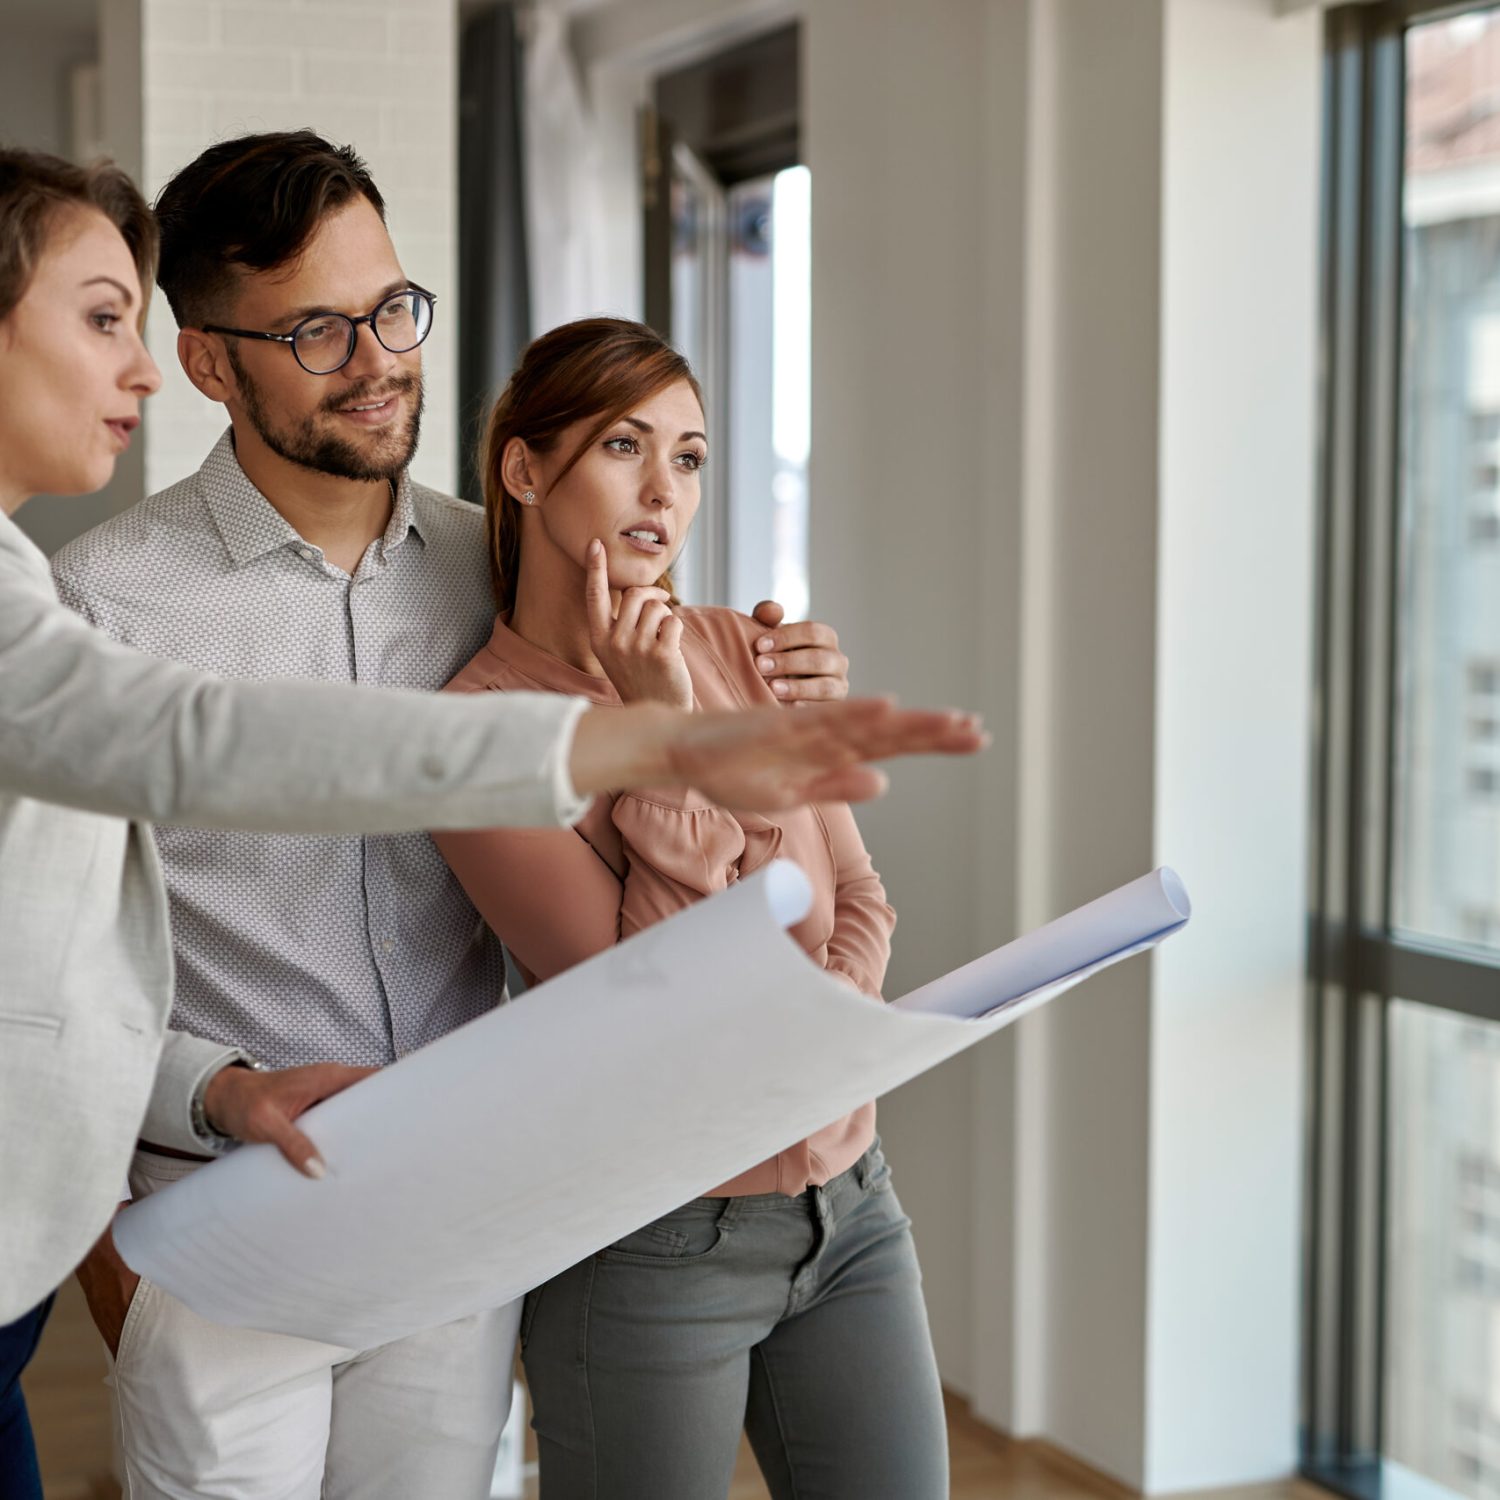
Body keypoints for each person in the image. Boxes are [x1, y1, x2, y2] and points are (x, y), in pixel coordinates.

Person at [0, 144, 982, 1500]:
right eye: (316, 332)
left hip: (462, 1221)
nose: (378, 359)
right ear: (211, 362)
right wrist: (176, 1144)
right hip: (233, 1226)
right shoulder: (96, 605)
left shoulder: (502, 561)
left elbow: (684, 646)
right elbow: (54, 959)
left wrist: (780, 668)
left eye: (393, 309)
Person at [434, 317, 950, 1500]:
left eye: (693, 455)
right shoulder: (481, 740)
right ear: (525, 469)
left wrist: (819, 1037)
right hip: (653, 1245)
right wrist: (671, 736)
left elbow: (859, 890)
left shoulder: (741, 647)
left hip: (852, 1208)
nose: (665, 490)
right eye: (625, 446)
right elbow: (670, 1018)